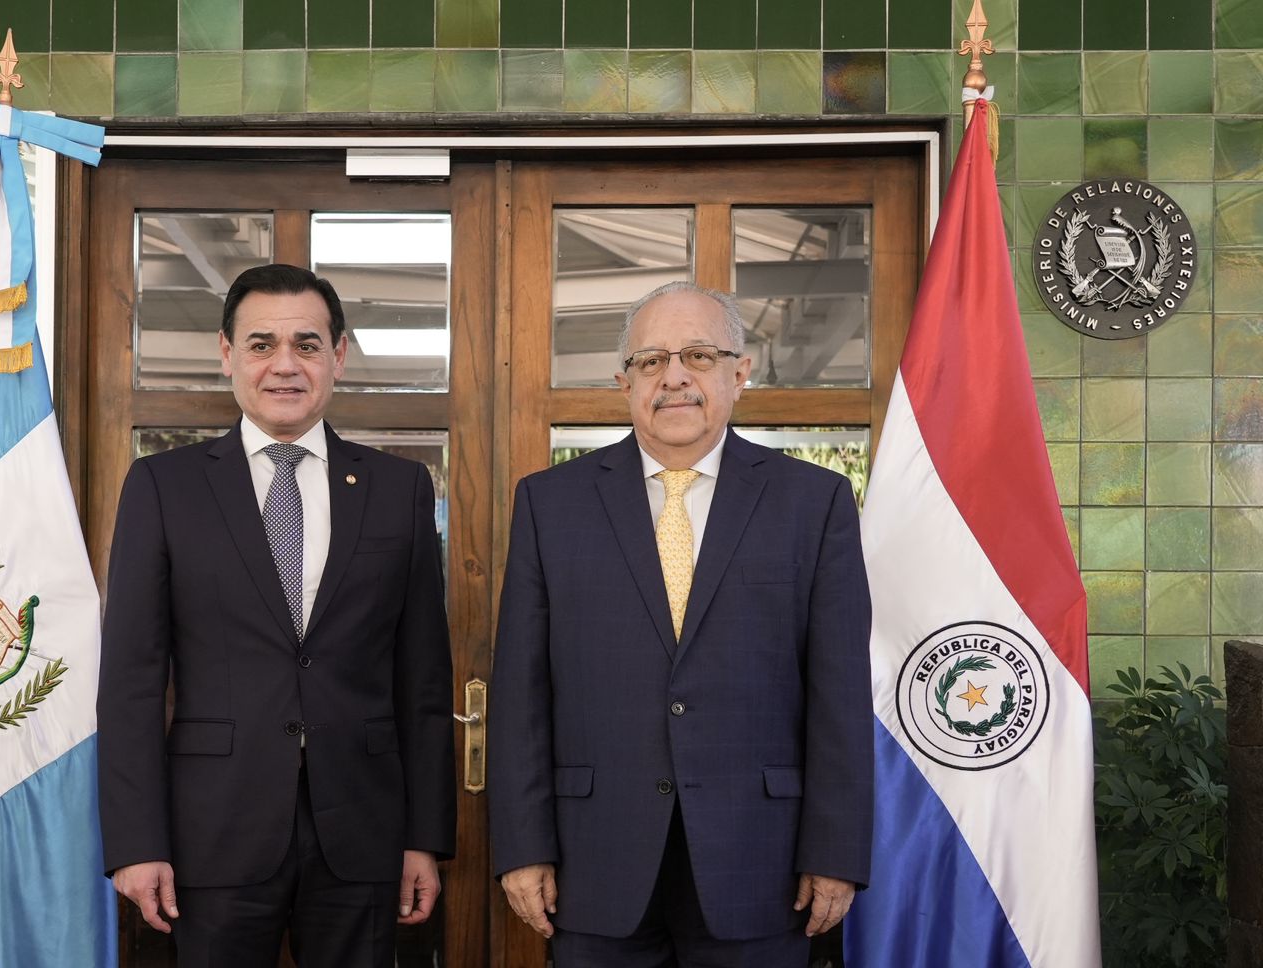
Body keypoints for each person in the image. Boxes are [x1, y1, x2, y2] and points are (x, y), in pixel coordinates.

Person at [488, 281, 873, 966]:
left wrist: (835, 852)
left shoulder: (813, 503)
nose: (674, 378)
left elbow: (839, 694)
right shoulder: (550, 504)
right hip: (593, 863)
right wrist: (522, 847)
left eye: (698, 355)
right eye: (650, 361)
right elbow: (521, 693)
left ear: (739, 372)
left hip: (763, 863)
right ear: (624, 381)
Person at [97, 264, 455, 968]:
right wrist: (137, 842)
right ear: (227, 353)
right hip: (213, 831)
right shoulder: (164, 486)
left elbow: (423, 681)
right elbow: (131, 682)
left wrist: (425, 836)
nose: (285, 365)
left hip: (365, 830)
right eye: (262, 344)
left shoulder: (399, 488)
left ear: (338, 356)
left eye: (307, 344)